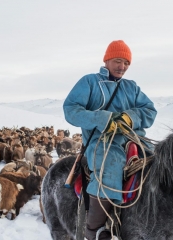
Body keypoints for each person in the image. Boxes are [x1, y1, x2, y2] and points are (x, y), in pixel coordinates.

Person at [63, 40, 157, 240]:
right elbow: (71, 110)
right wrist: (103, 119)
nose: (122, 67)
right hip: (102, 141)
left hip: (134, 139)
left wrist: (129, 117)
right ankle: (94, 229)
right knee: (110, 166)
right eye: (117, 61)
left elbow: (149, 110)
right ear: (106, 60)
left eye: (126, 63)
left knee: (159, 163)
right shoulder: (89, 82)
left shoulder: (132, 87)